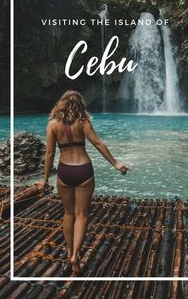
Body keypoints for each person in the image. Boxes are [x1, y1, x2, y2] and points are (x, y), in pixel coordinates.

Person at [36, 90, 130, 274]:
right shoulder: (83, 122)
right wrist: (116, 163)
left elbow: (49, 153)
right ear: (80, 105)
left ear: (60, 104)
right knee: (82, 215)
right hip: (83, 170)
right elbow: (98, 144)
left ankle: (69, 251)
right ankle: (76, 256)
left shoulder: (52, 125)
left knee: (68, 214)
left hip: (64, 172)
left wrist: (44, 178)